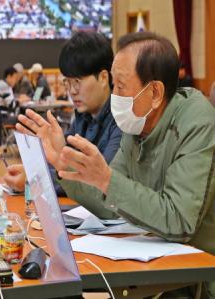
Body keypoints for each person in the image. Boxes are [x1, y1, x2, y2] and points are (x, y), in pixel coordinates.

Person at [17, 32, 215, 297]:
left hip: (194, 279)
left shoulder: (197, 123)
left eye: (120, 85)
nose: (114, 95)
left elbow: (180, 221)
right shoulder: (137, 121)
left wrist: (108, 180)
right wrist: (63, 162)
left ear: (154, 92)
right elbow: (111, 206)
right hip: (153, 261)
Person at [4, 32, 121, 194]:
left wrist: (36, 180)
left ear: (103, 78)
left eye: (77, 82)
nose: (72, 91)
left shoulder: (122, 120)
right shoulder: (82, 116)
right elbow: (63, 165)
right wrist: (34, 171)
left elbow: (99, 184)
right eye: (68, 82)